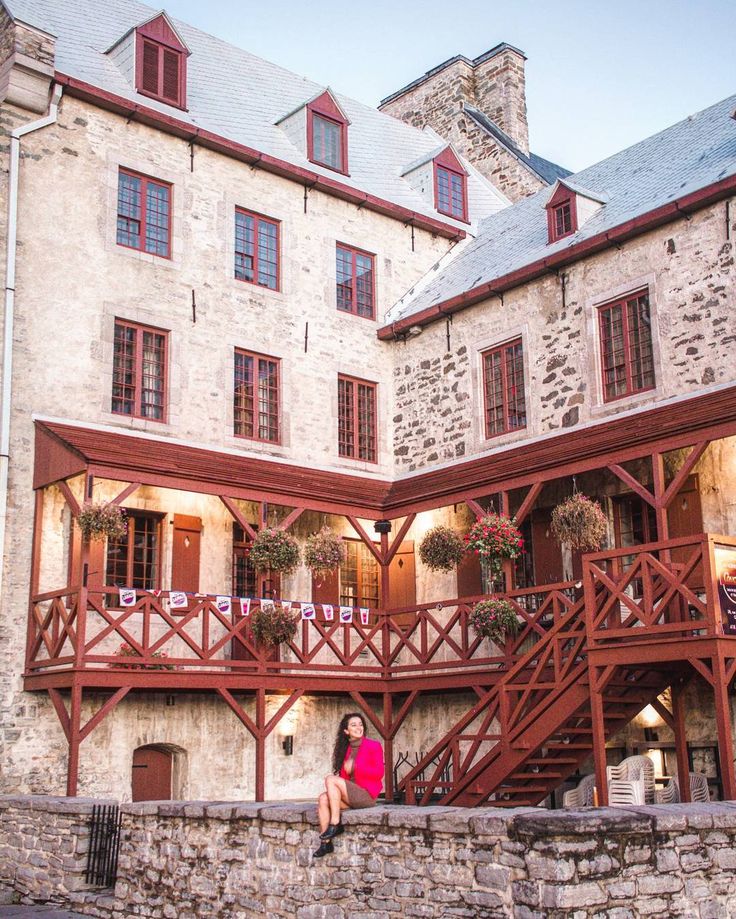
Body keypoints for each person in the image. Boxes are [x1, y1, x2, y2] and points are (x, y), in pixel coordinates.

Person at [313, 711, 384, 858]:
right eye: (353, 725)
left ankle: (334, 824)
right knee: (322, 799)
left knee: (330, 779)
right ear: (346, 731)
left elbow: (379, 773)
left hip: (366, 795)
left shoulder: (373, 746)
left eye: (360, 724)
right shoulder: (345, 750)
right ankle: (325, 843)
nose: (359, 727)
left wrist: (356, 767)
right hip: (350, 795)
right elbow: (345, 780)